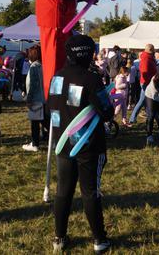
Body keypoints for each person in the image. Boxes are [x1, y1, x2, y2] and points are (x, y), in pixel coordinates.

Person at [47, 35, 114, 253]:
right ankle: (99, 239)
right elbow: (106, 112)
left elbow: (51, 107)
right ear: (87, 54)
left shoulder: (57, 77)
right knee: (90, 191)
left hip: (63, 143)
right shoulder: (91, 78)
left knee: (63, 191)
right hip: (88, 146)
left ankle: (59, 237)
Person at [23, 45, 48, 152]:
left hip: (36, 98)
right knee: (45, 121)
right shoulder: (44, 66)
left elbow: (32, 85)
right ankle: (54, 140)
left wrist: (29, 99)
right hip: (44, 98)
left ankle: (35, 143)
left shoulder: (34, 67)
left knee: (35, 122)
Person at [129, 44, 157, 124]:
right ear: (151, 50)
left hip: (147, 82)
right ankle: (133, 118)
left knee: (143, 101)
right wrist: (148, 83)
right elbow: (144, 72)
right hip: (146, 83)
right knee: (143, 101)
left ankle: (136, 117)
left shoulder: (148, 57)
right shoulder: (146, 58)